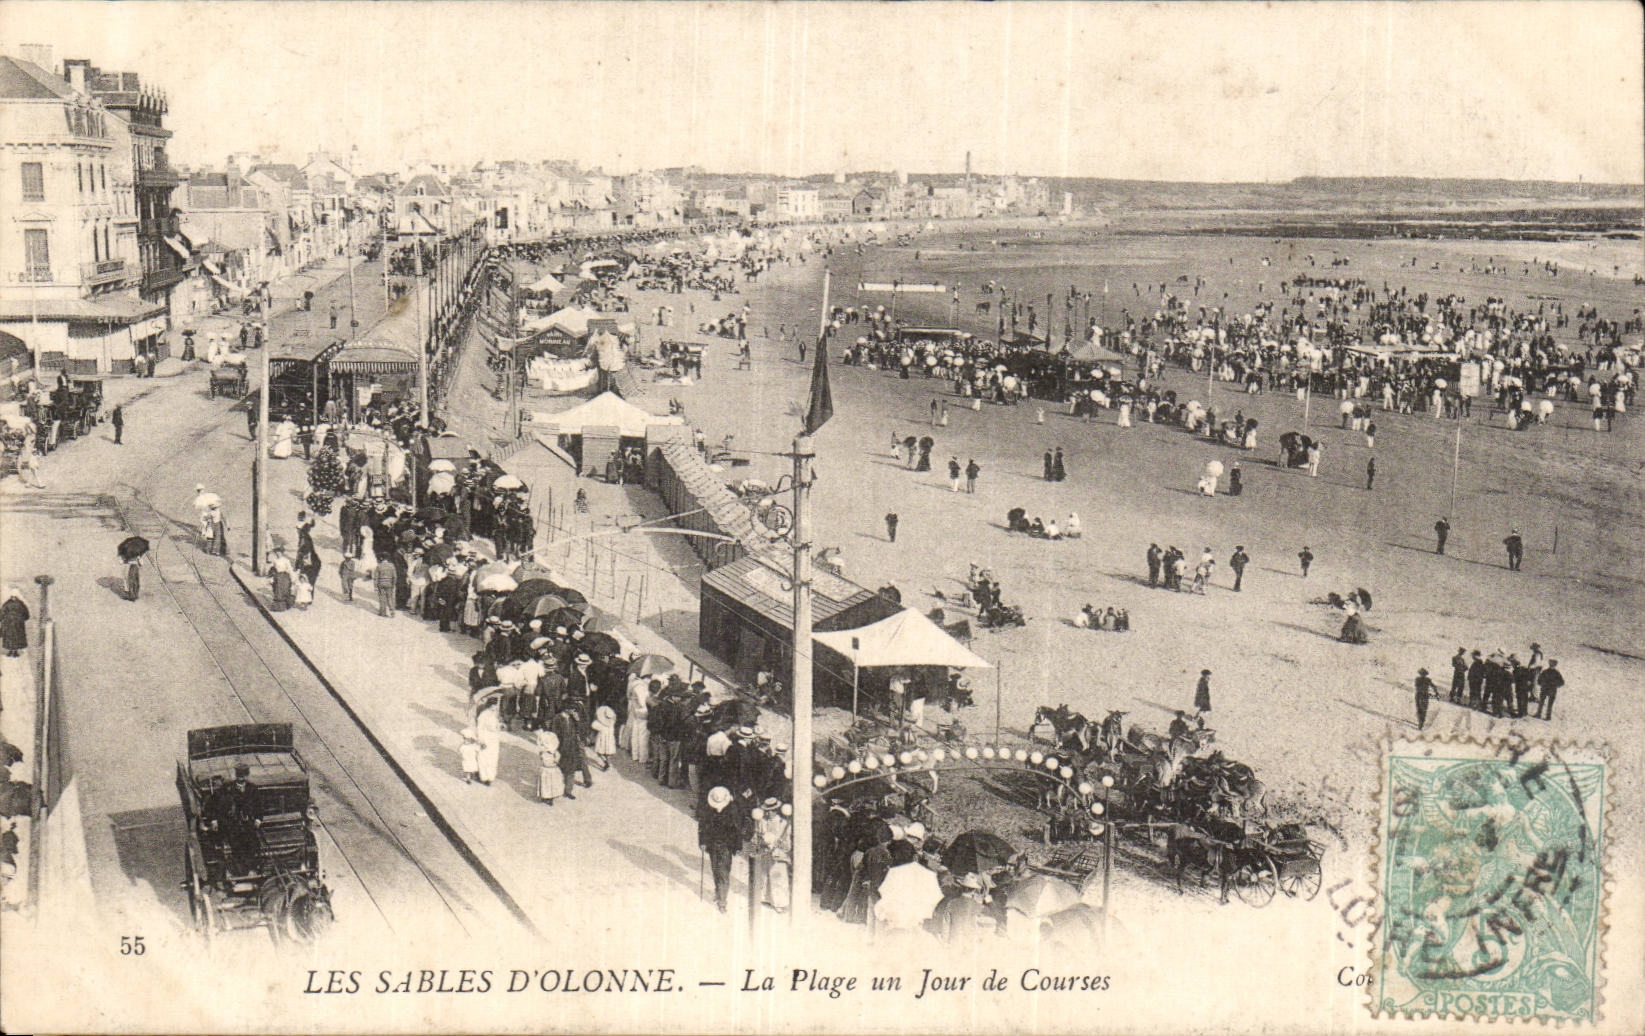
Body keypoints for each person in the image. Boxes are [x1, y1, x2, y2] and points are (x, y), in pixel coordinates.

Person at [699, 786, 746, 912]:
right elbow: (702, 826)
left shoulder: (733, 810)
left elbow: (737, 830)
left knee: (724, 872)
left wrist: (737, 846)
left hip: (726, 846)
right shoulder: (708, 810)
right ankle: (717, 890)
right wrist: (703, 842)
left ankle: (722, 901)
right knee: (715, 870)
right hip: (712, 845)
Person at [752, 798, 792, 913]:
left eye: (772, 810)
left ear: (776, 810)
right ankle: (765, 898)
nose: (769, 813)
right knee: (764, 876)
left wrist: (779, 843)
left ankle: (779, 903)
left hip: (778, 855)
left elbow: (788, 845)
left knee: (778, 878)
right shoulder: (762, 822)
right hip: (765, 853)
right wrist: (760, 841)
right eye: (767, 811)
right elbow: (755, 838)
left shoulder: (783, 823)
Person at [535, 729, 564, 805]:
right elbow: (557, 761)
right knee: (551, 784)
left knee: (546, 784)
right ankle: (549, 797)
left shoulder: (542, 752)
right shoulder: (555, 753)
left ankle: (546, 797)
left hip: (545, 770)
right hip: (552, 770)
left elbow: (542, 759)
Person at [0, 586, 29, 657]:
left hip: (8, 624)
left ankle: (11, 651)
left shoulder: (6, 604)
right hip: (18, 624)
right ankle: (14, 652)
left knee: (10, 637)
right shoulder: (21, 604)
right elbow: (26, 614)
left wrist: (2, 620)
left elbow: (2, 613)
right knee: (16, 637)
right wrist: (22, 619)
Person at [373, 550, 397, 617]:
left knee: (382, 598)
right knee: (390, 598)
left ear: (381, 558)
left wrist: (375, 586)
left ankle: (382, 612)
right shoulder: (392, 566)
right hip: (389, 583)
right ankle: (392, 612)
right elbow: (394, 576)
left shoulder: (379, 566)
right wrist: (394, 584)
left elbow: (376, 577)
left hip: (381, 584)